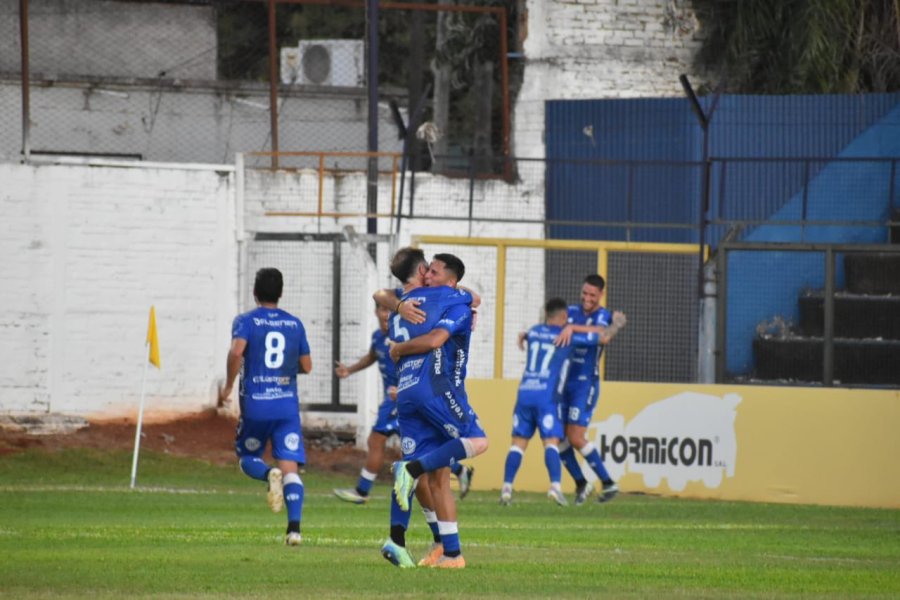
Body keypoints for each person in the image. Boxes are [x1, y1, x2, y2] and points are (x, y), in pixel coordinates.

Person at [388, 252, 488, 569]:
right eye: (427, 270)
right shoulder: (454, 301)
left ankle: (449, 553)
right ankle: (411, 470)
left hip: (405, 390)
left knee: (438, 481)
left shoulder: (406, 301)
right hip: (436, 387)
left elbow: (381, 296)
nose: (429, 275)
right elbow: (436, 339)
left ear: (449, 278)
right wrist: (400, 349)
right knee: (478, 441)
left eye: (435, 271)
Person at [219, 268, 312, 546]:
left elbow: (237, 351)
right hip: (286, 406)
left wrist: (227, 386)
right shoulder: (295, 324)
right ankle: (294, 530)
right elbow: (307, 366)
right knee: (290, 468)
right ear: (280, 293)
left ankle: (269, 475)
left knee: (248, 458)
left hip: (256, 405)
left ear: (255, 292)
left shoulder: (246, 321)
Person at [500, 297, 599, 507]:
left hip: (525, 393)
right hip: (546, 396)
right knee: (551, 442)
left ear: (546, 314)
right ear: (564, 317)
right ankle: (555, 486)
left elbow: (529, 335)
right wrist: (575, 328)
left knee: (518, 445)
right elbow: (601, 337)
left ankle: (506, 489)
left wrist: (524, 335)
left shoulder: (534, 331)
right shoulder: (567, 337)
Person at [554, 274, 627, 504]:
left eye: (592, 295)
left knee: (575, 436)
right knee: (557, 437)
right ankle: (581, 484)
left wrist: (571, 329)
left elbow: (604, 337)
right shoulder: (572, 311)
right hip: (563, 382)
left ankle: (607, 482)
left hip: (585, 384)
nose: (587, 298)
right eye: (584, 293)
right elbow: (555, 330)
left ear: (601, 295)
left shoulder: (604, 316)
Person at [332, 302, 400, 504]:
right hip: (391, 399)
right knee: (410, 447)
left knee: (377, 441)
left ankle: (362, 492)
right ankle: (458, 469)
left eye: (391, 310)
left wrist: (405, 388)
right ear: (376, 311)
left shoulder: (402, 337)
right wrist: (349, 370)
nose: (387, 315)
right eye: (383, 310)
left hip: (401, 398)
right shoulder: (378, 338)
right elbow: (372, 356)